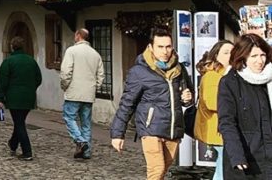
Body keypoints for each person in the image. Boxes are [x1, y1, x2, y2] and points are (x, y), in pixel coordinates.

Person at [110, 27, 193, 180]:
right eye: (160, 47)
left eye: (168, 46)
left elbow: (186, 96)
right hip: (150, 129)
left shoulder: (179, 70)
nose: (165, 51)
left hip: (173, 129)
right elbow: (127, 103)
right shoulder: (139, 72)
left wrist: (187, 98)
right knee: (157, 169)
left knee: (162, 171)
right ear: (151, 47)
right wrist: (117, 134)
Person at [217, 33, 272, 178]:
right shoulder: (230, 82)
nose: (260, 61)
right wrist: (236, 155)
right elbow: (227, 121)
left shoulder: (269, 79)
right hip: (244, 159)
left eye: (262, 55)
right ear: (243, 57)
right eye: (253, 56)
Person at [59, 28, 105, 159]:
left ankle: (80, 141)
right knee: (86, 123)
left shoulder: (71, 51)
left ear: (78, 36)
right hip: (88, 94)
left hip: (74, 92)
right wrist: (94, 88)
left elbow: (65, 72)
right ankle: (86, 151)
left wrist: (65, 86)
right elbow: (101, 75)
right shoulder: (95, 54)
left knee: (69, 118)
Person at [0, 36, 42, 161]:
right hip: (29, 97)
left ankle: (27, 151)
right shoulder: (31, 61)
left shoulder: (9, 62)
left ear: (12, 47)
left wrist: (0, 97)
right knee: (19, 121)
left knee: (19, 123)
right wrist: (30, 88)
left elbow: (3, 81)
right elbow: (39, 78)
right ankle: (13, 143)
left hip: (14, 98)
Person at [195, 39, 233, 180]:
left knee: (222, 166)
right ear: (216, 55)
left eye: (232, 52)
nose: (230, 55)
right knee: (223, 168)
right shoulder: (212, 76)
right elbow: (211, 102)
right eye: (226, 52)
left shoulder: (226, 74)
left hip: (222, 129)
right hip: (217, 130)